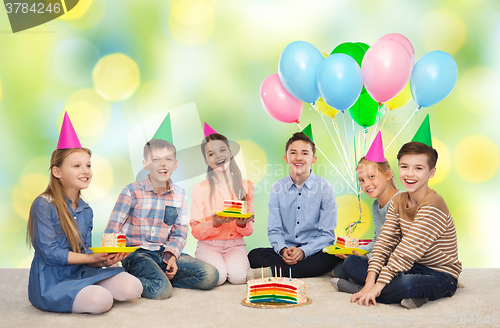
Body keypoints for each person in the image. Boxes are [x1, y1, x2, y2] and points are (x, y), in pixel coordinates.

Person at [27, 113, 142, 314]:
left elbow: (85, 250)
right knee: (102, 301)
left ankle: (87, 290)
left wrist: (104, 259)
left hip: (82, 271)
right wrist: (91, 259)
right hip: (52, 281)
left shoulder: (86, 209)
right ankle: (86, 293)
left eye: (88, 165)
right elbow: (51, 254)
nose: (86, 170)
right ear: (57, 172)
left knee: (133, 287)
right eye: (77, 166)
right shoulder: (43, 204)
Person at [346, 141, 462, 309]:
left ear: (431, 172)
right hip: (411, 266)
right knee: (351, 263)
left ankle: (364, 290)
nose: (410, 174)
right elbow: (384, 242)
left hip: (439, 273)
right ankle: (372, 290)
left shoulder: (433, 204)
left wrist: (377, 286)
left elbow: (407, 250)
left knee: (406, 284)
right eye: (404, 167)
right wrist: (369, 282)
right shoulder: (398, 201)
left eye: (418, 168)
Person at [105, 138, 218, 299]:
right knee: (161, 290)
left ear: (175, 164)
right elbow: (113, 228)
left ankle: (160, 277)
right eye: (156, 159)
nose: (163, 164)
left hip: (164, 253)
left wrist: (172, 256)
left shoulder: (180, 194)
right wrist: (112, 262)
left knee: (210, 275)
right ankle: (123, 280)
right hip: (137, 254)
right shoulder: (132, 191)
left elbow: (180, 232)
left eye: (168, 159)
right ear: (145, 164)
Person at [247, 128, 341, 278]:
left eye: (304, 153)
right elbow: (274, 230)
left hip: (313, 250)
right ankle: (297, 269)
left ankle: (275, 272)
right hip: (286, 250)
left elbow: (327, 235)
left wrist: (304, 252)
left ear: (313, 159)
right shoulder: (278, 188)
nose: (298, 157)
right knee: (254, 255)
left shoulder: (324, 188)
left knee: (331, 257)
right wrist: (284, 251)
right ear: (286, 159)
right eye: (293, 153)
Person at [331, 132, 400, 290]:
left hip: (399, 260)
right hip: (380, 258)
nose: (366, 184)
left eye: (371, 177)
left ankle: (358, 288)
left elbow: (399, 246)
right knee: (340, 268)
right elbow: (378, 240)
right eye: (361, 180)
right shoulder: (376, 205)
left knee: (351, 266)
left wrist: (367, 257)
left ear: (388, 175)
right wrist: (357, 252)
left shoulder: (400, 202)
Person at [190, 133, 254, 285]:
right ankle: (199, 260)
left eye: (222, 150)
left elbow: (249, 230)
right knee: (218, 278)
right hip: (209, 245)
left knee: (238, 278)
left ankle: (241, 267)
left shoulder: (246, 186)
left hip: (235, 244)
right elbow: (195, 231)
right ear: (206, 160)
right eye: (211, 154)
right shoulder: (200, 189)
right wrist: (215, 222)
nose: (218, 156)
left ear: (230, 153)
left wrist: (242, 223)